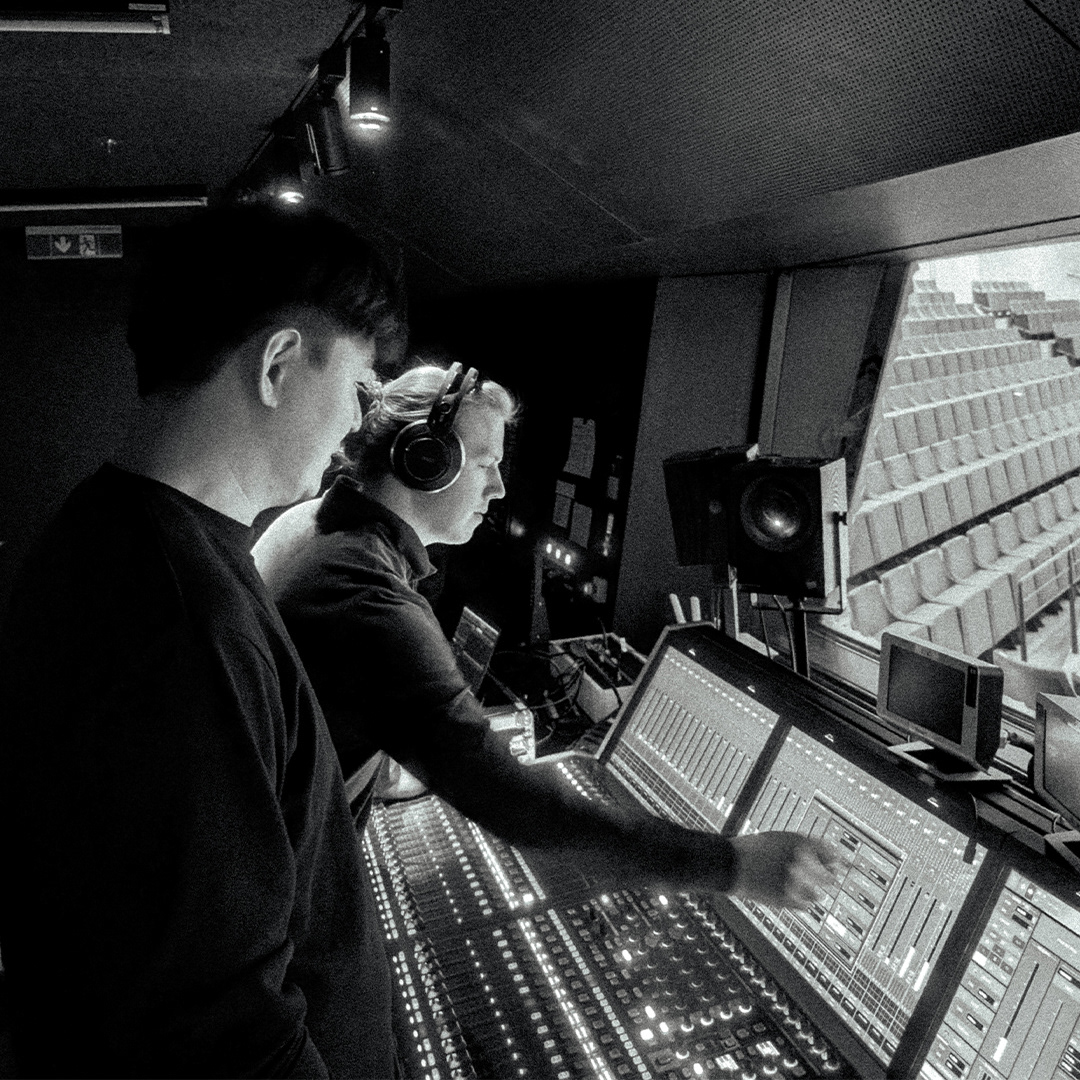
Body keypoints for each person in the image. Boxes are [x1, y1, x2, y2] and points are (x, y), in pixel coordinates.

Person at [0, 204, 402, 1078]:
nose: (355, 430)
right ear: (280, 365)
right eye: (360, 389)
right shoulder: (180, 617)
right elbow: (219, 1033)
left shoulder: (124, 539)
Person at [254, 364, 838, 925]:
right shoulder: (369, 599)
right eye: (484, 463)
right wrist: (732, 865)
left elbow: (324, 721)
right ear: (424, 461)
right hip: (282, 909)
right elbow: (523, 811)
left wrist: (399, 762)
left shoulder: (310, 526)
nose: (499, 487)